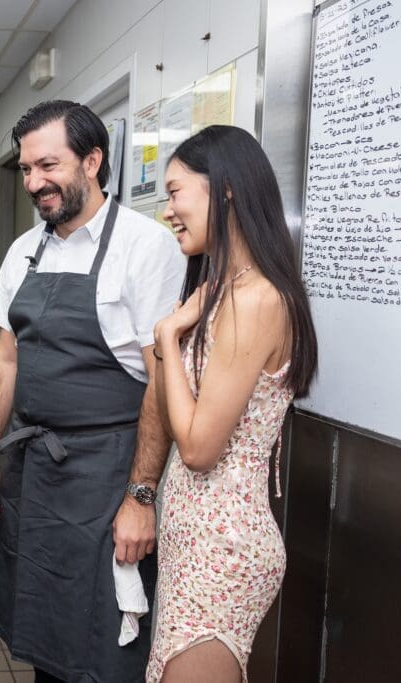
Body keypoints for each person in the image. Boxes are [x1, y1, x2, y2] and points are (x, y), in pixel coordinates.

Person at [0, 100, 184, 682]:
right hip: (34, 471)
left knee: (103, 643)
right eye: (26, 170)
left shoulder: (145, 246)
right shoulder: (24, 251)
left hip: (105, 475)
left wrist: (140, 496)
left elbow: (162, 382)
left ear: (92, 161)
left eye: (48, 166)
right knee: (43, 636)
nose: (35, 182)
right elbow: (6, 357)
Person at [146, 125, 318, 682]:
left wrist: (169, 337)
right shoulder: (221, 288)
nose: (168, 209)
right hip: (192, 540)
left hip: (223, 550)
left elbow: (197, 448)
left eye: (175, 191)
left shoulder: (258, 299)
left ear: (224, 189)